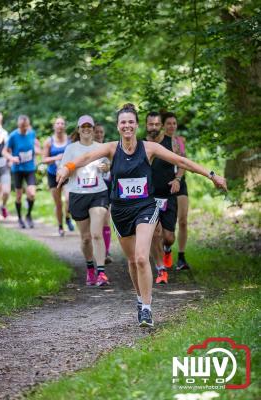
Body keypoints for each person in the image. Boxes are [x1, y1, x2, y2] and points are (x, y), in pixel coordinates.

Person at [57, 103, 227, 328]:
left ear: (136, 125)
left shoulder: (148, 148)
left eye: (131, 122)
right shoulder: (110, 148)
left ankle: (147, 309)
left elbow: (181, 161)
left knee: (140, 257)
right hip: (120, 210)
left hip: (146, 207)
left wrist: (211, 174)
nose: (127, 126)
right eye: (123, 122)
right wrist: (66, 168)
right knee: (131, 261)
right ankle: (140, 300)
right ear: (118, 126)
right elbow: (85, 158)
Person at [61, 115, 110, 287]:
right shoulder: (71, 149)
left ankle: (102, 273)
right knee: (86, 238)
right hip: (78, 194)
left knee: (96, 233)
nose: (87, 129)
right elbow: (63, 168)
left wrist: (106, 167)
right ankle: (90, 268)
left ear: (93, 128)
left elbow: (108, 168)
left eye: (89, 126)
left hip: (99, 193)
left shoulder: (101, 147)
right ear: (78, 129)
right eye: (83, 126)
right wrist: (67, 171)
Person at [145, 111, 178, 284]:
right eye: (151, 124)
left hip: (168, 195)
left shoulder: (171, 142)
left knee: (168, 237)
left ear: (161, 126)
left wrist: (178, 178)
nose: (154, 127)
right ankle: (161, 270)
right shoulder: (141, 145)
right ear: (146, 126)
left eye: (157, 124)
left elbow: (182, 162)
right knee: (154, 233)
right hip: (150, 197)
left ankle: (167, 249)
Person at [162, 112, 190, 271]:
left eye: (174, 123)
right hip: (164, 184)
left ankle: (181, 257)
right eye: (169, 123)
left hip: (179, 182)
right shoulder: (159, 141)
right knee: (167, 223)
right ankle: (166, 248)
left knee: (183, 220)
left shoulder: (180, 141)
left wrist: (178, 179)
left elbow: (184, 163)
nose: (172, 126)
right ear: (163, 125)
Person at [2, 115, 41, 228]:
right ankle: (20, 218)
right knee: (18, 196)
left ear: (28, 125)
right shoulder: (13, 136)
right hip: (18, 169)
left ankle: (28, 215)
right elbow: (4, 152)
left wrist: (38, 152)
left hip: (30, 169)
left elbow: (35, 146)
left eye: (26, 126)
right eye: (22, 126)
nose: (24, 129)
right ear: (18, 125)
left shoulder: (32, 133)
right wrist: (12, 158)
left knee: (32, 194)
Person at [42, 117, 74, 236]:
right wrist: (57, 157)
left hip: (67, 175)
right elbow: (44, 160)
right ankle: (60, 227)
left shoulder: (70, 140)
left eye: (62, 123)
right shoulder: (49, 141)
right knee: (58, 203)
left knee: (69, 199)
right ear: (54, 126)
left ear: (64, 126)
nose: (60, 125)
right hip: (53, 175)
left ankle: (67, 217)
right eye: (57, 123)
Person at [94, 123, 113, 264]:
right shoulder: (88, 149)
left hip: (106, 187)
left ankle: (106, 252)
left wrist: (107, 166)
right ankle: (96, 249)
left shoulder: (108, 149)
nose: (99, 135)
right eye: (97, 132)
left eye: (101, 132)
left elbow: (111, 167)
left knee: (106, 218)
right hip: (91, 188)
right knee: (95, 222)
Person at [0, 111, 10, 219]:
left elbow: (9, 149)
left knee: (5, 191)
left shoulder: (5, 134)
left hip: (4, 166)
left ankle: (3, 206)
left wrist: (10, 160)